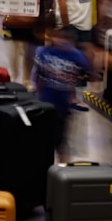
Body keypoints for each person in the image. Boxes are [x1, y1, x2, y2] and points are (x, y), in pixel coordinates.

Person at [33, 27, 92, 163]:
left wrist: (73, 96)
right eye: (59, 39)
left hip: (62, 107)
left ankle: (63, 169)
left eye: (65, 41)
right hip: (45, 104)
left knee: (61, 141)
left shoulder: (77, 56)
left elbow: (85, 75)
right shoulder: (46, 53)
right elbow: (38, 76)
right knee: (45, 139)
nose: (62, 43)